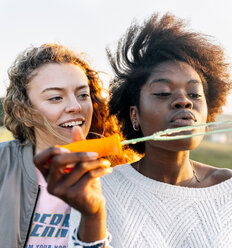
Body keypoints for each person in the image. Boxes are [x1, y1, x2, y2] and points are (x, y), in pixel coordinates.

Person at [79, 13, 232, 247]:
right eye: (163, 92)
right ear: (134, 115)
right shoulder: (100, 189)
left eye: (194, 94)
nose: (184, 101)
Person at [0, 43, 135, 247]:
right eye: (56, 98)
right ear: (24, 113)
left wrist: (93, 215)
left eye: (83, 95)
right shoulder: (3, 165)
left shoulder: (120, 175)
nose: (75, 106)